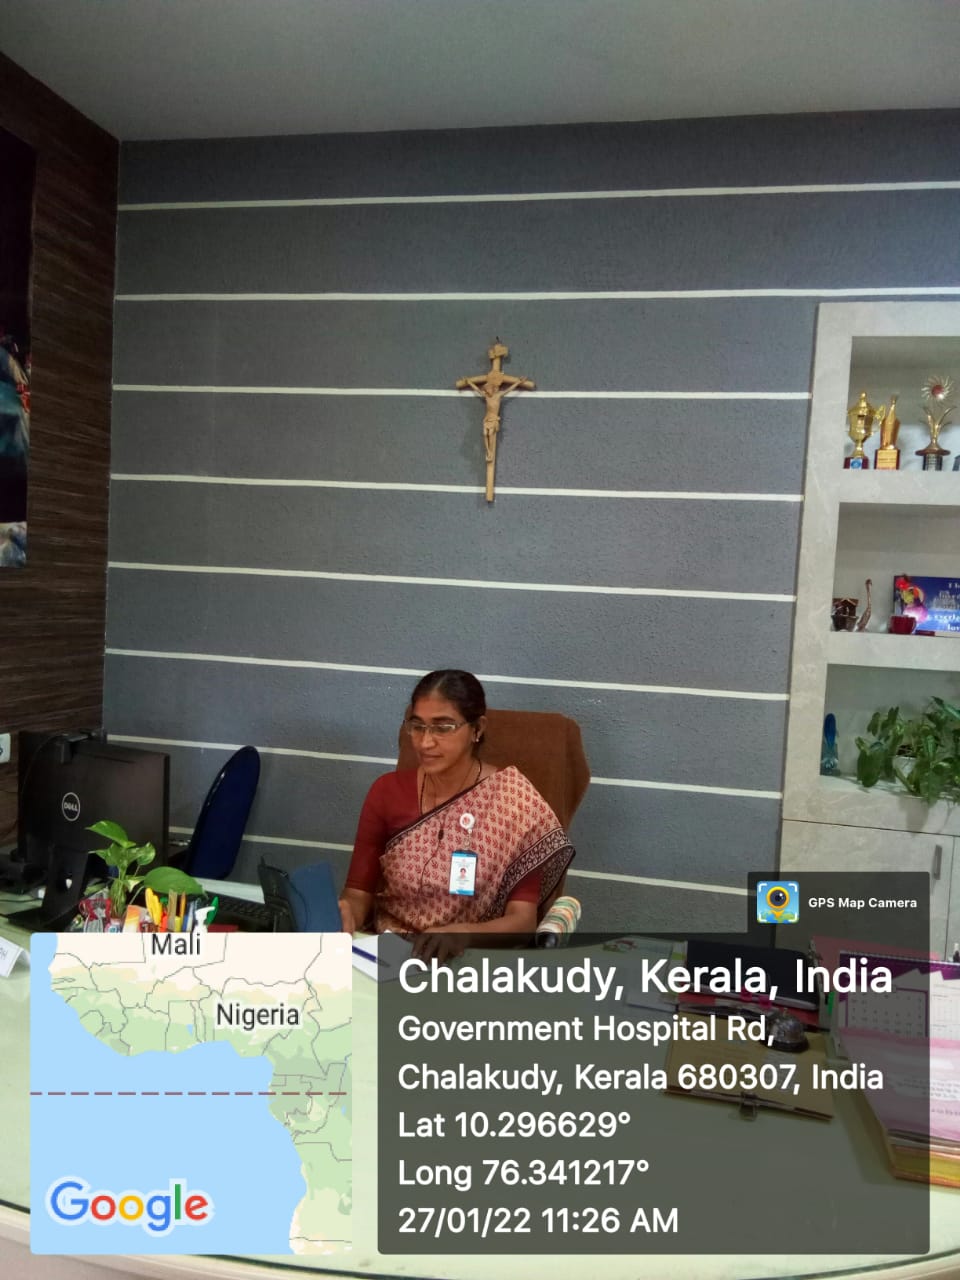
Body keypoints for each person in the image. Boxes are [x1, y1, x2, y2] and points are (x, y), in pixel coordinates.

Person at [338, 669, 574, 941]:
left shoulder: (513, 801)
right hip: (389, 949)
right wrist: (347, 912)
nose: (425, 742)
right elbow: (357, 894)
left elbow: (522, 922)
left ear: (477, 729)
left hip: (470, 954)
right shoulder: (386, 792)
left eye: (443, 727)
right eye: (418, 726)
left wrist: (462, 935)